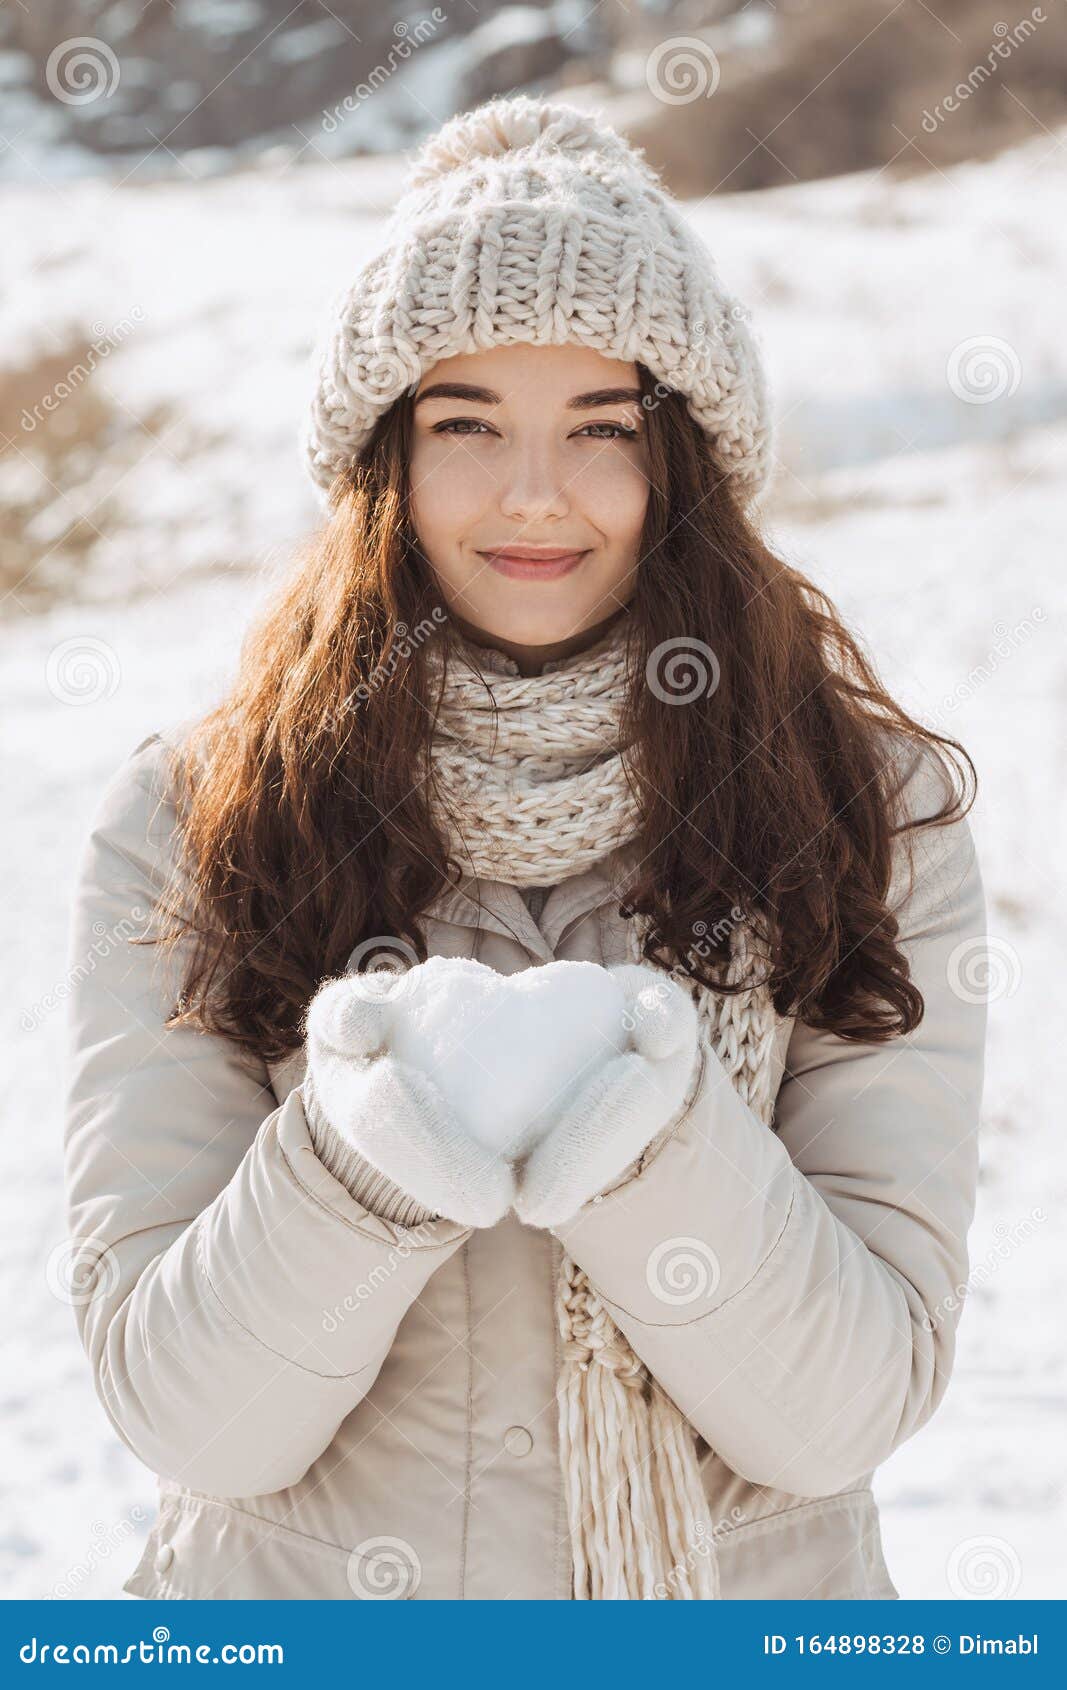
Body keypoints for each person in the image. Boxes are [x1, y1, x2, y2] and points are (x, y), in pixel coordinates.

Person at [62, 94, 987, 1601]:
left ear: (681, 463)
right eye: (468, 426)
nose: (534, 492)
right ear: (386, 463)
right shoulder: (198, 818)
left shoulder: (862, 813)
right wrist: (362, 1168)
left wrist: (642, 1151)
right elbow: (190, 1421)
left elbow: (841, 1412)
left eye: (600, 430)